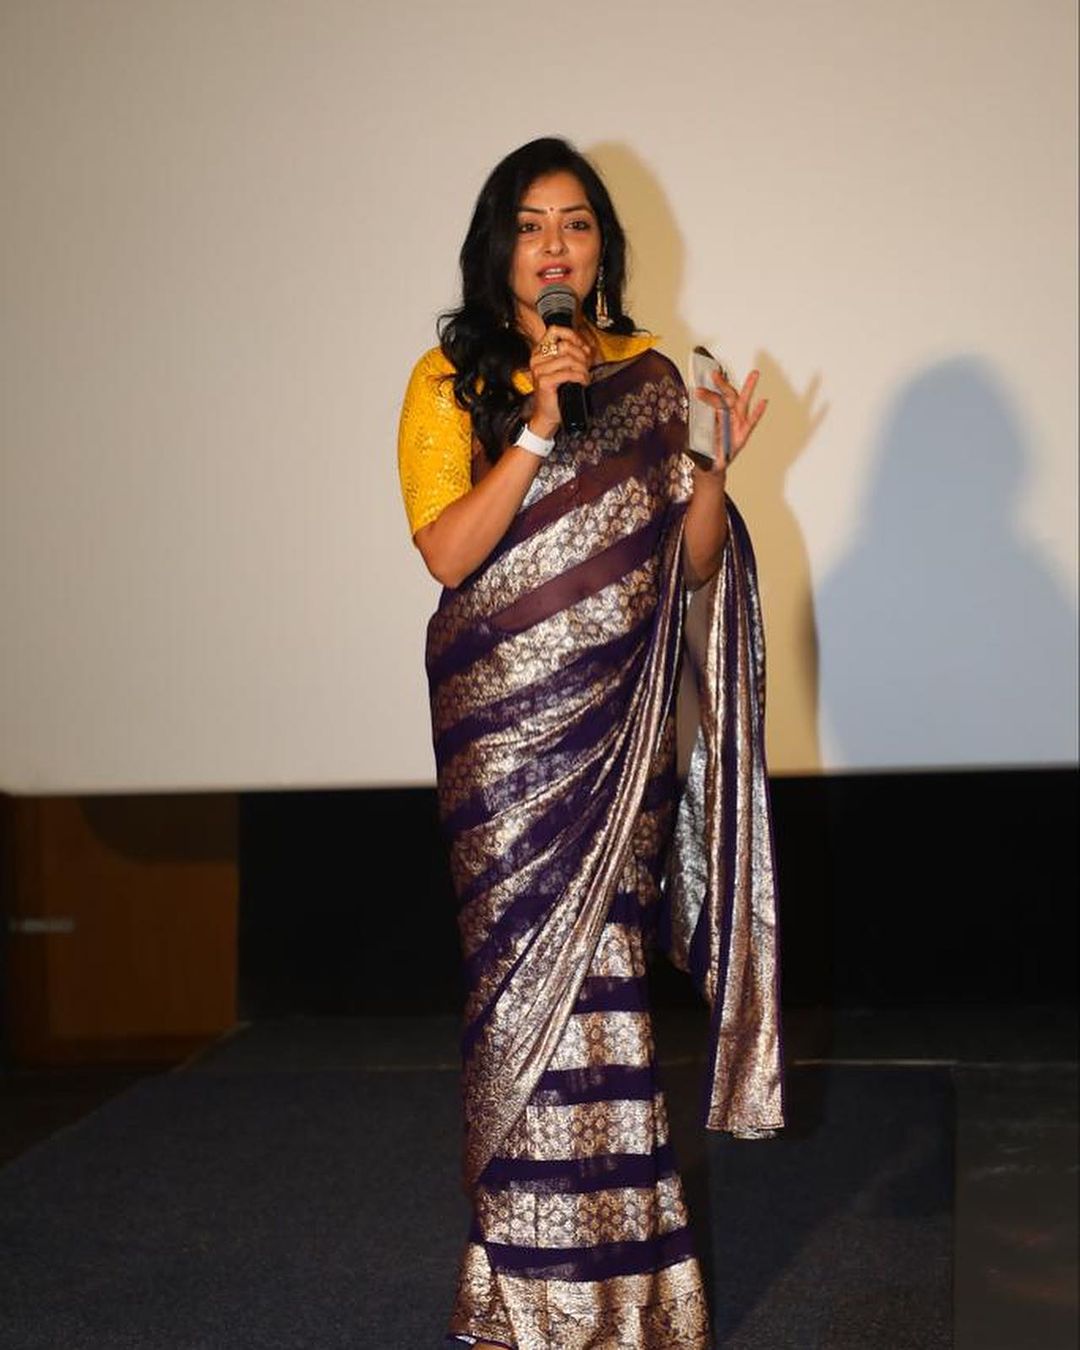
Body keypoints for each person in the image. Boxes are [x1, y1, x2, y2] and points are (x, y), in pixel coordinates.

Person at [396, 136, 784, 1350]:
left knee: (609, 1003)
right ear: (498, 246)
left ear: (602, 246)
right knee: (524, 1004)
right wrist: (537, 425)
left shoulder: (657, 378)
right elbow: (449, 556)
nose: (554, 246)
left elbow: (698, 560)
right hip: (505, 750)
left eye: (574, 224)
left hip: (617, 742)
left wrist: (714, 466)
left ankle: (627, 1298)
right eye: (529, 225)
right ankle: (526, 1298)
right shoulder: (448, 377)